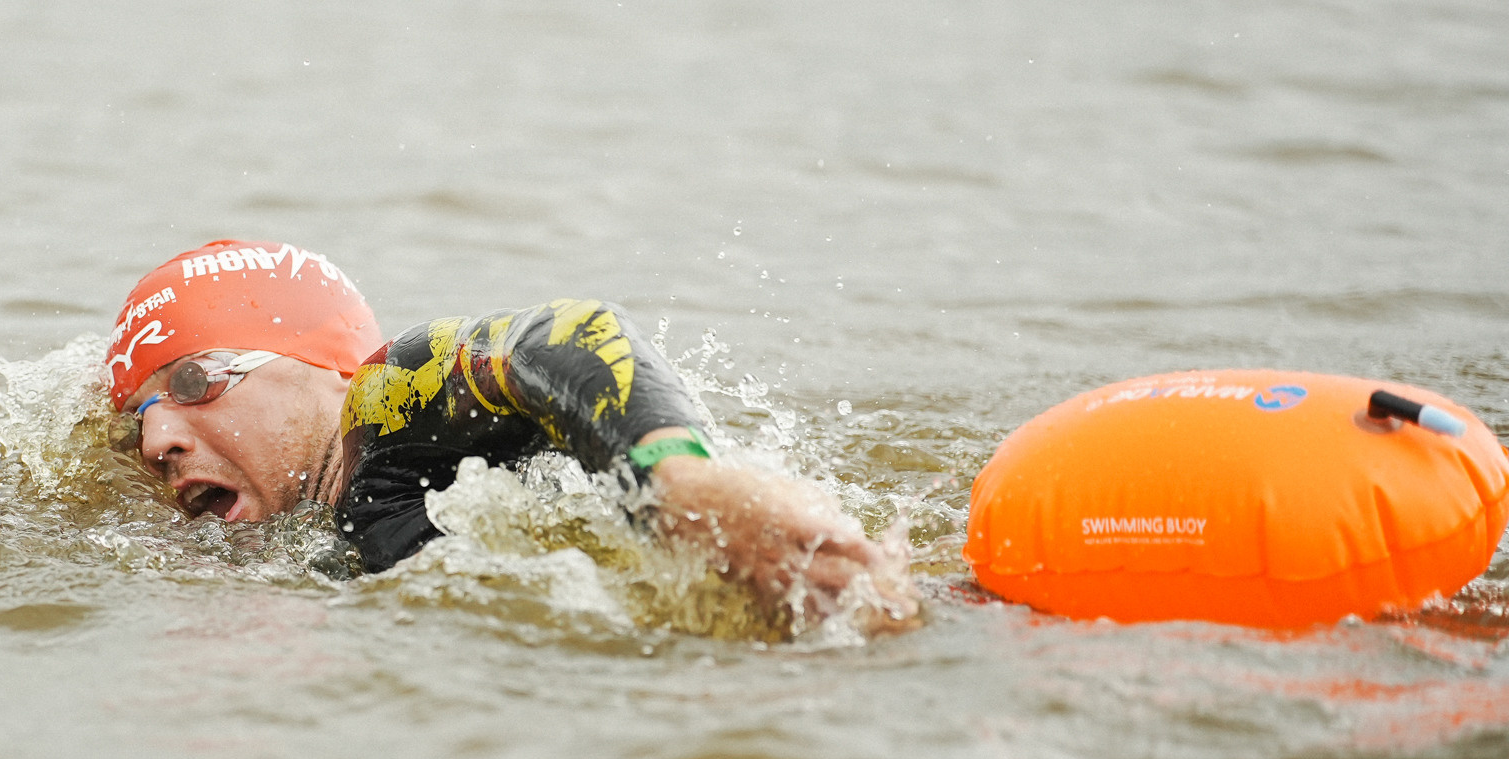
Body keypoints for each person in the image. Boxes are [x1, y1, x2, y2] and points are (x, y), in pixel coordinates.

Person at [105, 239, 919, 631]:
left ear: (326, 369)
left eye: (194, 382)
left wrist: (682, 484)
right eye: (140, 416)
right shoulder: (300, 535)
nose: (157, 441)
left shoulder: (384, 406)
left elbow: (564, 334)